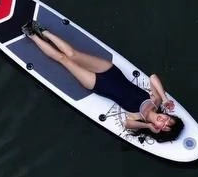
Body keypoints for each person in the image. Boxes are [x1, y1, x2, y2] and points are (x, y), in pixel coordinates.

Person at [22, 21, 185, 141]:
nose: (163, 121)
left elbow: (127, 125)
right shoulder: (156, 102)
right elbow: (153, 77)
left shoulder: (138, 119)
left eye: (165, 126)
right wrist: (164, 98)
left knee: (63, 59)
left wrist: (148, 126)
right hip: (110, 71)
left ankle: (32, 35)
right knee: (73, 54)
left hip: (97, 84)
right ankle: (44, 31)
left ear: (159, 130)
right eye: (168, 119)